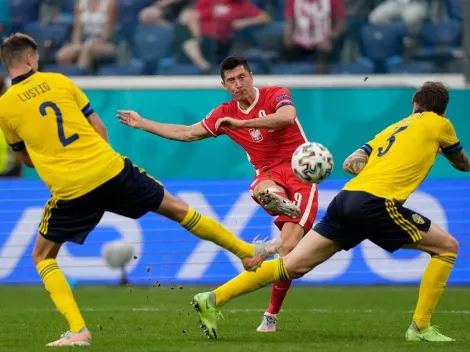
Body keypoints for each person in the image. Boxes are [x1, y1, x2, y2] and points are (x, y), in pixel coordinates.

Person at [0, 34, 277, 347]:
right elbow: (99, 129)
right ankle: (246, 251)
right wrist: (99, 165)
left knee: (42, 255)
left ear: (9, 63)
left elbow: (25, 158)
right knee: (177, 208)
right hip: (110, 169)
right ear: (30, 59)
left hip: (70, 187)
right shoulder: (60, 81)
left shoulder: (5, 107)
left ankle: (78, 330)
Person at [191, 81, 468, 342]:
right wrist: (442, 151)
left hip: (346, 199)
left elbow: (351, 162)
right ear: (442, 109)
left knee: (291, 266)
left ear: (414, 103)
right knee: (447, 247)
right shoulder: (440, 124)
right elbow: (461, 162)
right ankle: (420, 326)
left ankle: (213, 298)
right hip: (377, 204)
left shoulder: (394, 128)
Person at [117, 55, 322, 333]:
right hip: (268, 173)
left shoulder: (276, 94)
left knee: (289, 250)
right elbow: (187, 133)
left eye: (241, 77)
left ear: (251, 76)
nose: (238, 84)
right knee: (262, 189)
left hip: (300, 171)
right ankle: (273, 204)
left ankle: (271, 309)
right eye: (231, 81)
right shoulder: (224, 112)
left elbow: (288, 117)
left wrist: (241, 125)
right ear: (224, 85)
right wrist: (143, 124)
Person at [55, 0, 117, 71]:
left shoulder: (110, 4)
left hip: (106, 44)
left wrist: (90, 44)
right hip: (84, 42)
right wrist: (76, 45)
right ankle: (67, 78)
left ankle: (80, 75)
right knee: (62, 55)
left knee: (86, 50)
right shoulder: (80, 4)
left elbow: (107, 35)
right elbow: (77, 31)